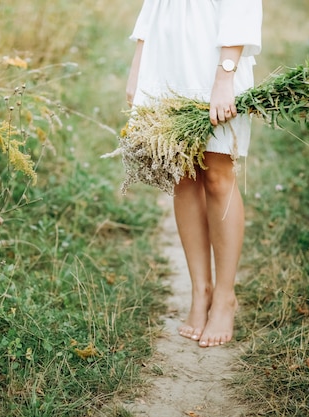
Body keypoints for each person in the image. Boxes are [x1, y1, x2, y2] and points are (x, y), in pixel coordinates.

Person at [126, 0, 263, 348]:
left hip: (213, 56)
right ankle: (200, 291)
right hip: (166, 59)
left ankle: (225, 297)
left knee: (217, 175)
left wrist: (225, 74)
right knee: (182, 175)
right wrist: (138, 65)